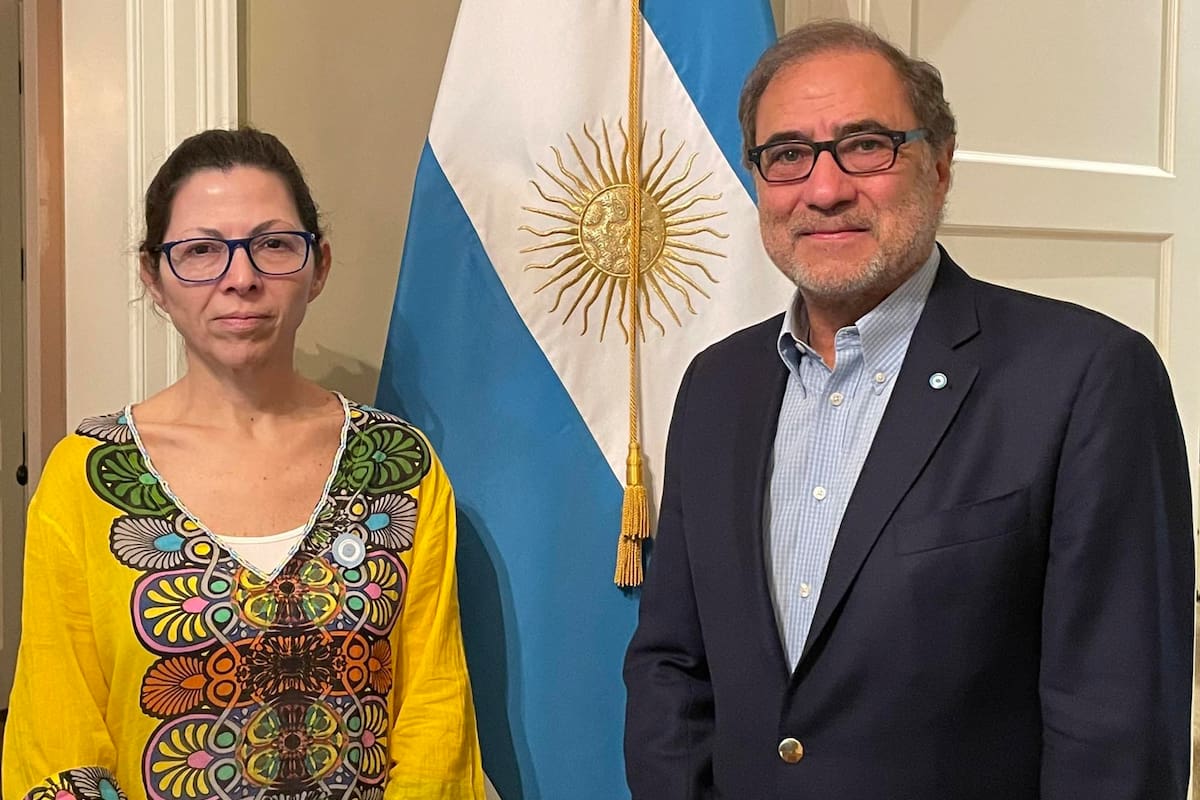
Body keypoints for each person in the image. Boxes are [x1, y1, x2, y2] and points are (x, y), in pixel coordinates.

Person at [623, 19, 1193, 799]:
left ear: (941, 164)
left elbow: (1116, 730)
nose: (824, 189)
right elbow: (672, 667)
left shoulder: (1087, 378)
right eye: (788, 154)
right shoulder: (716, 385)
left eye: (866, 145)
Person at [3, 128, 486, 800]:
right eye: (201, 250)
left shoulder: (399, 468)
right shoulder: (88, 477)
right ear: (154, 277)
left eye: (273, 245)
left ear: (318, 266)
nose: (241, 278)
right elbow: (57, 738)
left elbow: (435, 713)